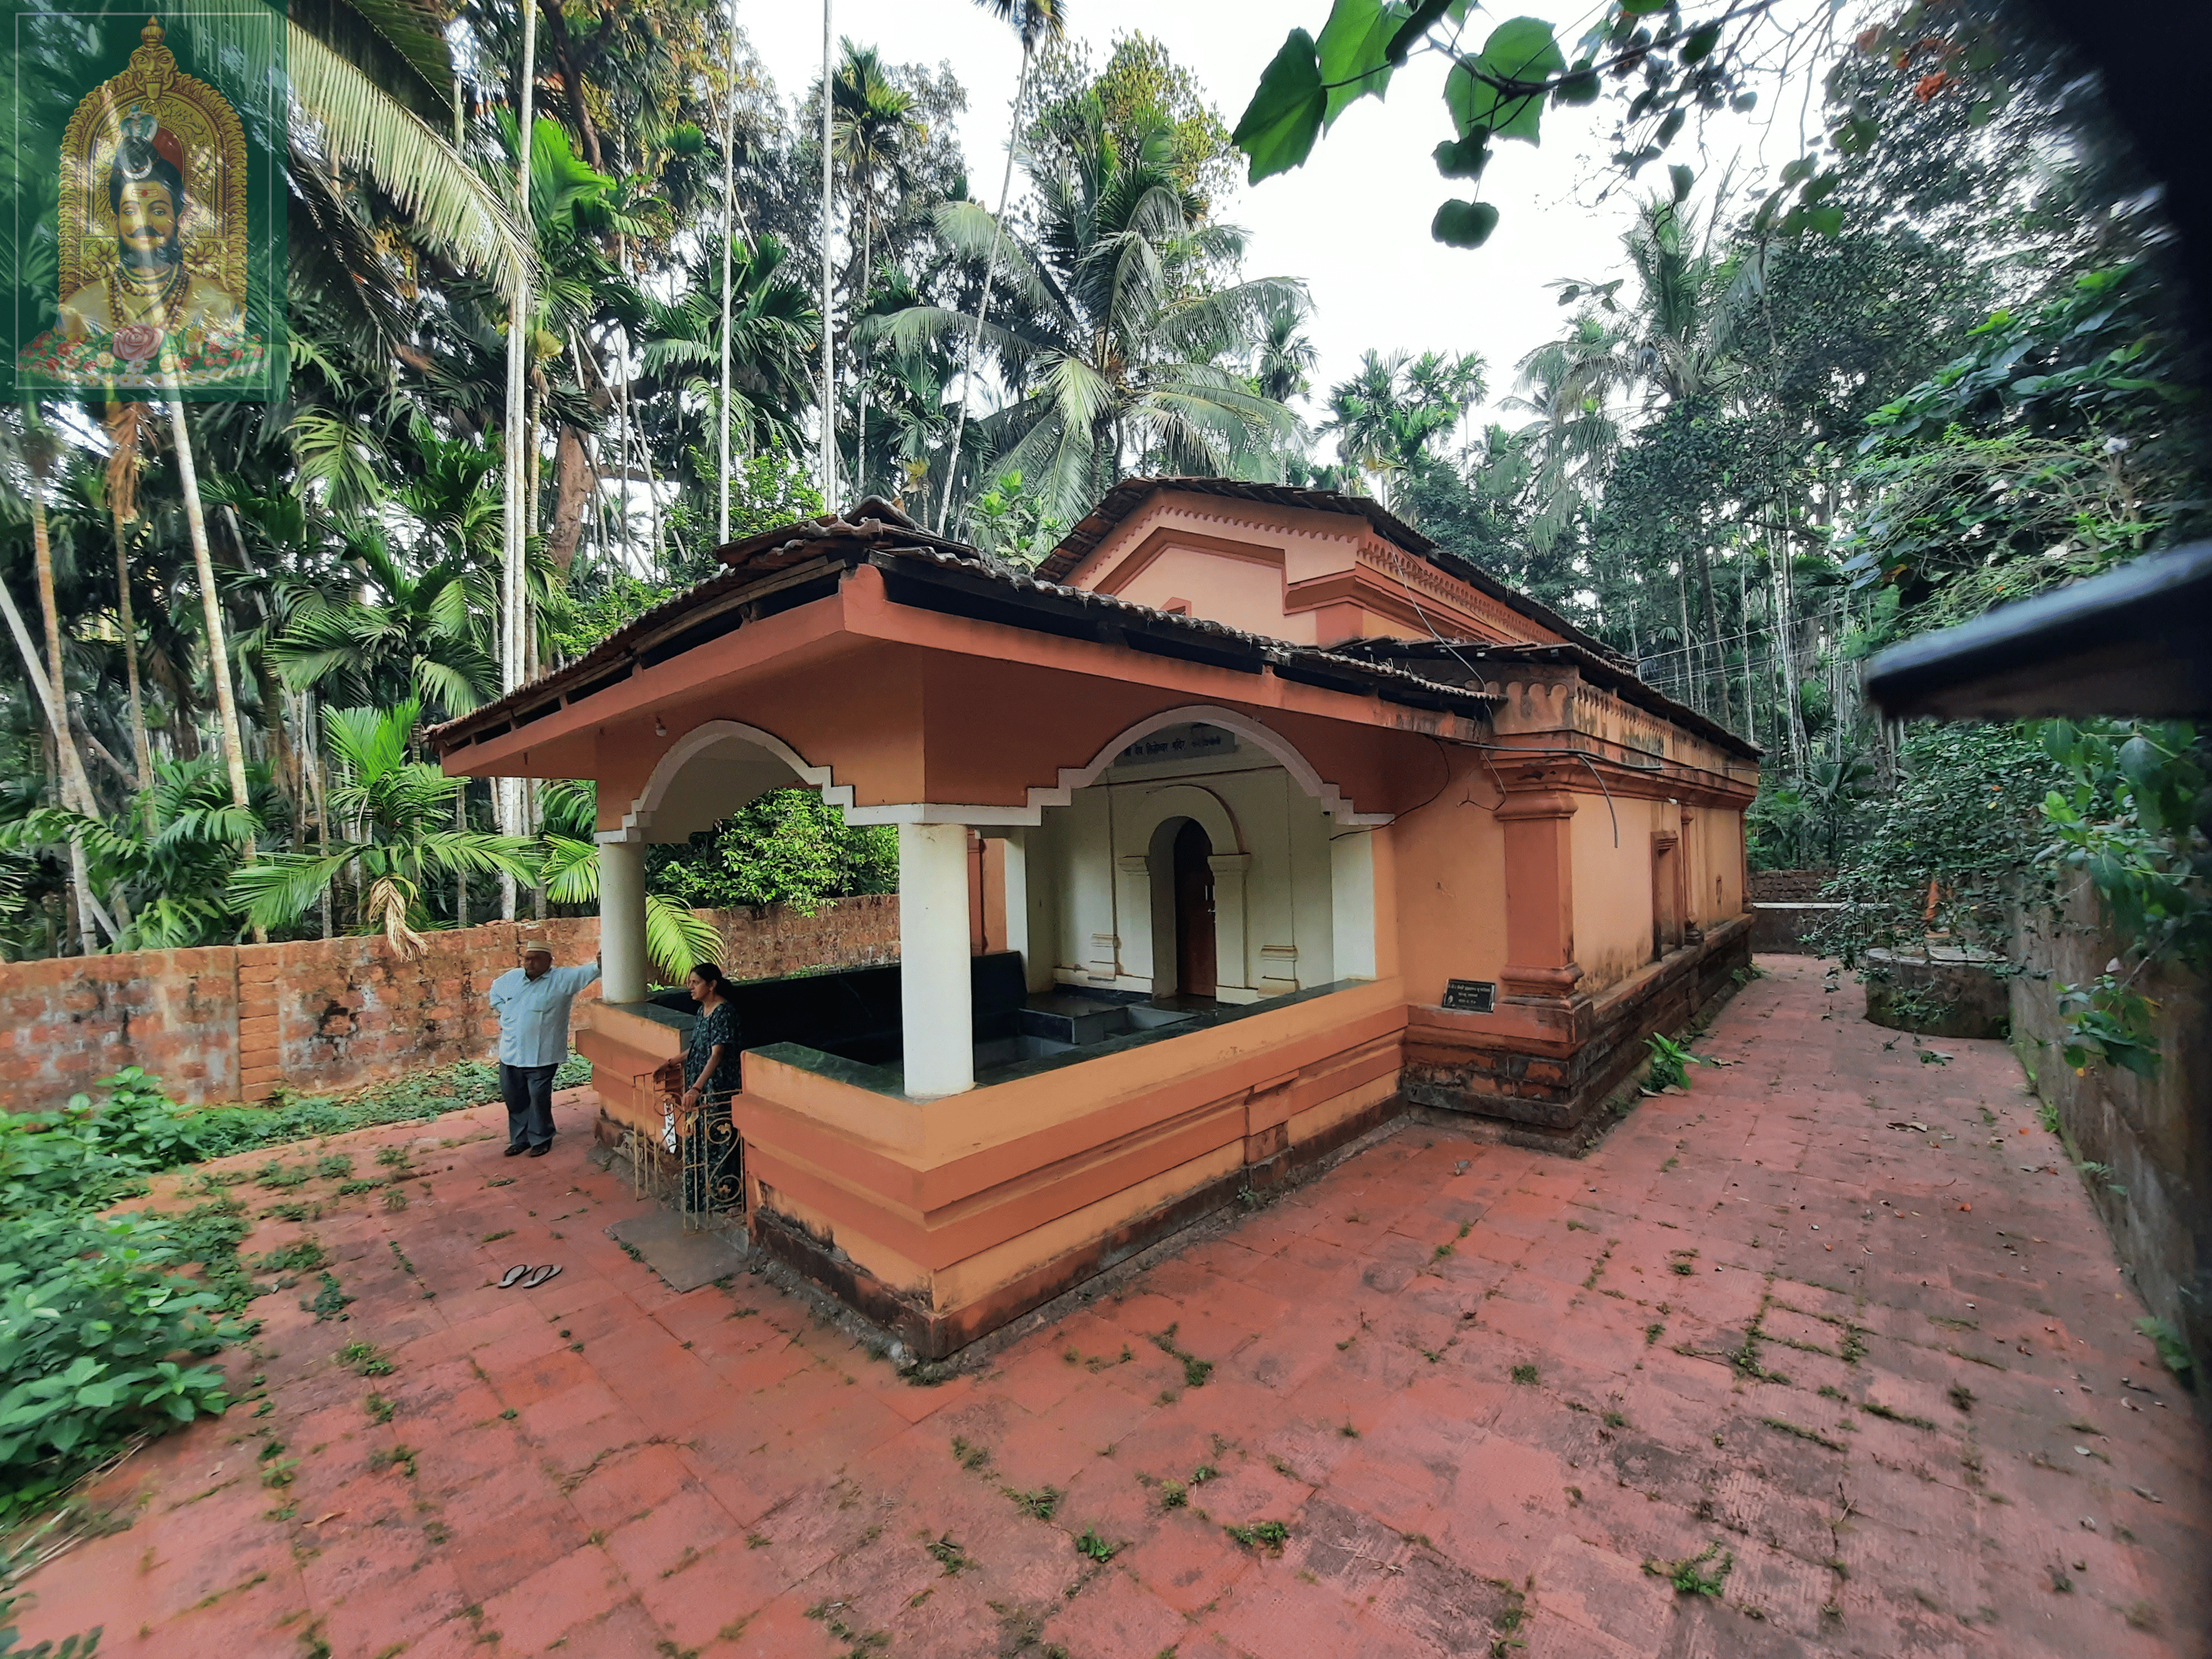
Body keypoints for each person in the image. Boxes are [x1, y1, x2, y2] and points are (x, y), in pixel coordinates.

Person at [58, 106, 244, 343]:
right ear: (117, 221)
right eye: (130, 211)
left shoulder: (217, 304)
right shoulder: (79, 310)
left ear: (181, 219)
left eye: (158, 211)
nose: (143, 223)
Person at [488, 943, 600, 1157]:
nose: (530, 963)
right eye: (527, 959)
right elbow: (495, 993)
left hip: (542, 1055)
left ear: (549, 960)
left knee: (538, 1096)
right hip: (511, 1052)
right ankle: (520, 1140)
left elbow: (586, 973)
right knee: (514, 1097)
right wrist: (508, 1014)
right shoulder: (512, 979)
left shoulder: (561, 980)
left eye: (536, 959)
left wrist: (601, 964)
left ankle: (541, 1137)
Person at [680, 963, 741, 1112]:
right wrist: (669, 1063)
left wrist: (696, 1089)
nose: (691, 987)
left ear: (712, 985)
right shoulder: (702, 1011)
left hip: (715, 1087)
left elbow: (716, 1055)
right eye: (690, 983)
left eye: (696, 983)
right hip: (700, 1085)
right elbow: (698, 1048)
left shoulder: (723, 1013)